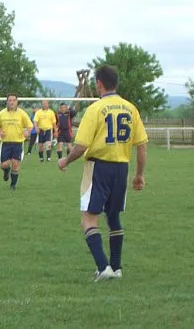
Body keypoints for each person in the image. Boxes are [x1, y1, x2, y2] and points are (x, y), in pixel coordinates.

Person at [58, 66, 148, 282]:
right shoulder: (131, 108)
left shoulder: (96, 109)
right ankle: (116, 268)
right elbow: (142, 146)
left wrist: (65, 160)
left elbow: (80, 147)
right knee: (114, 216)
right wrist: (139, 175)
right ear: (116, 83)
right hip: (121, 168)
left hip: (98, 167)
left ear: (99, 83)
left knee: (89, 218)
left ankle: (103, 267)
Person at [0, 94, 34, 190]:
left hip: (18, 143)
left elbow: (30, 126)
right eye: (10, 100)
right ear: (7, 102)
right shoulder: (2, 113)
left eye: (14, 100)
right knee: (3, 164)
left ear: (17, 102)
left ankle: (13, 185)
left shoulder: (22, 113)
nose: (12, 102)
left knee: (15, 164)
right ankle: (6, 171)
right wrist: (0, 132)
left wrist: (27, 132)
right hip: (5, 143)